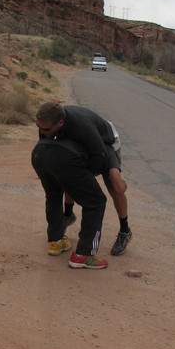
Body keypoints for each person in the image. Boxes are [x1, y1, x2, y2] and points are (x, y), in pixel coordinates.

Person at [35, 101, 132, 256]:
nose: (41, 132)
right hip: (83, 145)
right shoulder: (49, 125)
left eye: (45, 129)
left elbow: (99, 154)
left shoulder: (82, 127)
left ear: (60, 123)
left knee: (116, 188)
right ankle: (68, 214)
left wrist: (85, 178)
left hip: (106, 144)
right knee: (68, 173)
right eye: (38, 127)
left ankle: (124, 230)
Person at [31, 135, 109, 269]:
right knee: (97, 201)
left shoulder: (68, 124)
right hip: (66, 158)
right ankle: (84, 254)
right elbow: (99, 156)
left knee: (53, 195)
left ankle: (56, 241)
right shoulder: (102, 136)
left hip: (39, 152)